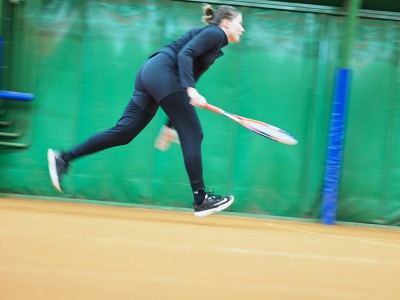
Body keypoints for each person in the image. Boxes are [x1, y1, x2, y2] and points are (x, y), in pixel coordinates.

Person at [47, 4, 245, 217]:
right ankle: (201, 199)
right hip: (162, 72)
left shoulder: (213, 46)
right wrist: (190, 89)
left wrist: (169, 125)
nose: (242, 29)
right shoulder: (215, 33)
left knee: (124, 132)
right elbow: (185, 55)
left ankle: (63, 158)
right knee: (193, 133)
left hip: (152, 72)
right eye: (240, 24)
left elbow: (189, 79)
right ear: (226, 23)